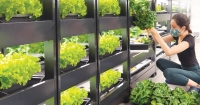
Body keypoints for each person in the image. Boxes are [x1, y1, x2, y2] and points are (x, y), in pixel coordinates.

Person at [147, 13, 200, 92]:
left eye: (173, 27)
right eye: (171, 26)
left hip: (194, 73)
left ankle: (196, 85)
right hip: (183, 68)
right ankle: (181, 80)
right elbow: (158, 41)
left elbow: (169, 52)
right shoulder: (177, 36)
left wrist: (157, 34)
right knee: (160, 62)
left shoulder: (189, 40)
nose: (171, 29)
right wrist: (152, 32)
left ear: (183, 28)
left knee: (168, 72)